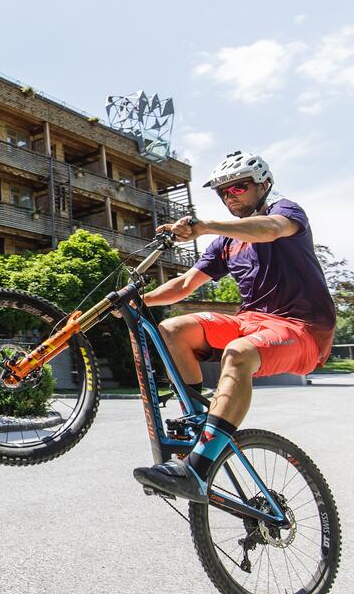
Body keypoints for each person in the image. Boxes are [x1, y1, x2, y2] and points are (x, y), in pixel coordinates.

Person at [132, 151, 336, 503]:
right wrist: (137, 301)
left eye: (239, 187)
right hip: (251, 322)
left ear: (263, 184)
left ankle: (198, 467)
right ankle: (201, 423)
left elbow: (270, 231)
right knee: (173, 330)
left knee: (238, 353)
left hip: (301, 329)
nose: (231, 196)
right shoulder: (226, 243)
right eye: (223, 192)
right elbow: (184, 286)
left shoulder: (284, 210)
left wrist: (206, 224)